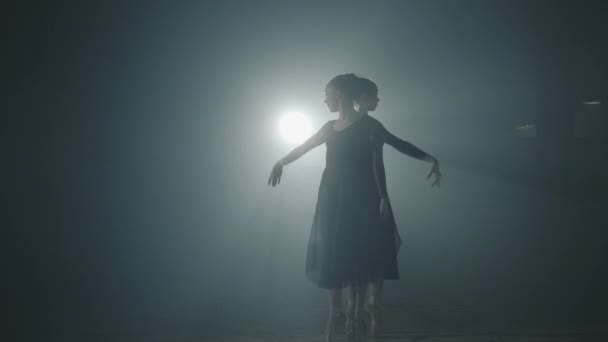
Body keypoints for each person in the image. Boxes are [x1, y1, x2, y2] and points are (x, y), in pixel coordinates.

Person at [268, 74, 441, 341]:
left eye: (327, 93)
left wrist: (429, 158)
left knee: (358, 250)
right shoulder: (328, 128)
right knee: (334, 250)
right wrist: (282, 161)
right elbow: (304, 147)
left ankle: (356, 312)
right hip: (331, 199)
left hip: (361, 198)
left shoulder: (369, 125)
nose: (324, 98)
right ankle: (337, 313)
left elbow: (396, 145)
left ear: (340, 94)